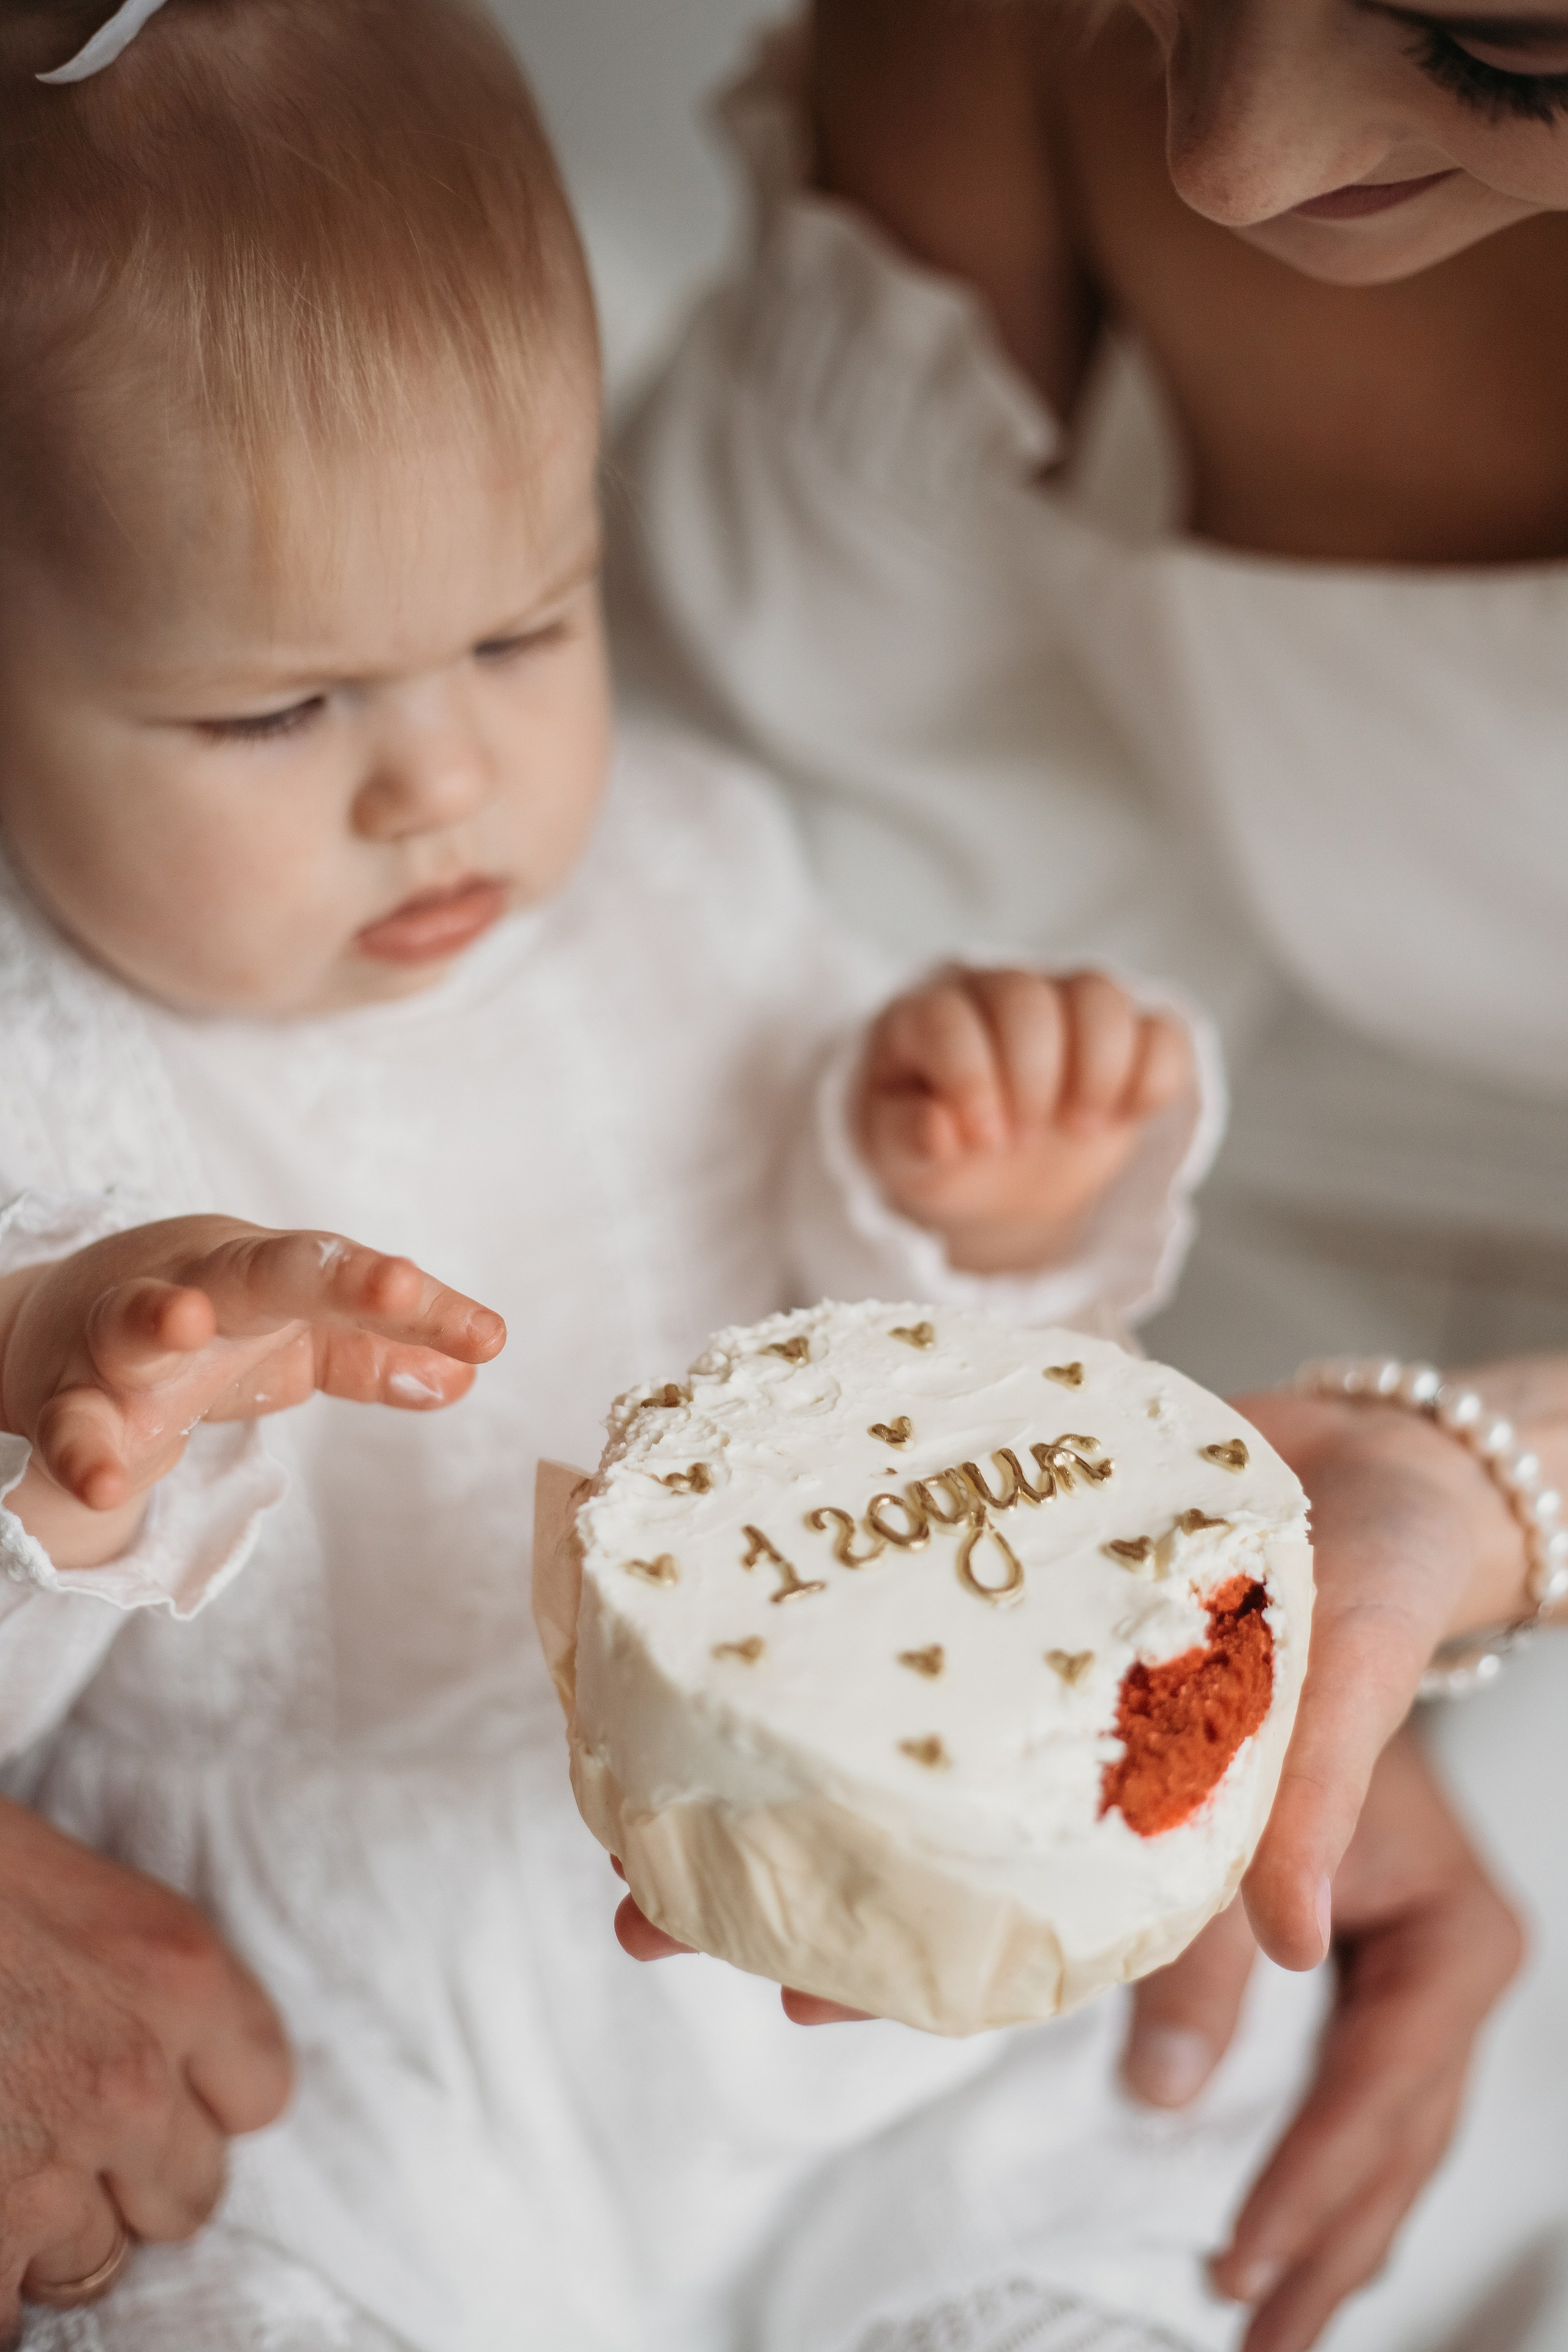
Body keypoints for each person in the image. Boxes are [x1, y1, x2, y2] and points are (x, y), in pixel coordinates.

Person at [0, 4, 1366, 2348]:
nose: (443, 784)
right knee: (235, 2272)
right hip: (351, 2006)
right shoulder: (39, 1065)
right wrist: (60, 1428)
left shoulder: (692, 872)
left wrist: (973, 1191)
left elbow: (933, 1413)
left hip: (809, 1896)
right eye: (275, 709)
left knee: (1101, 2097)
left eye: (524, 628)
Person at [611, 0, 1568, 2342]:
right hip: (1118, 1251)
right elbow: (813, 881)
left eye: (1503, 52)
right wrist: (1012, 1368)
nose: (1229, 156)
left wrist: (1506, 1478)